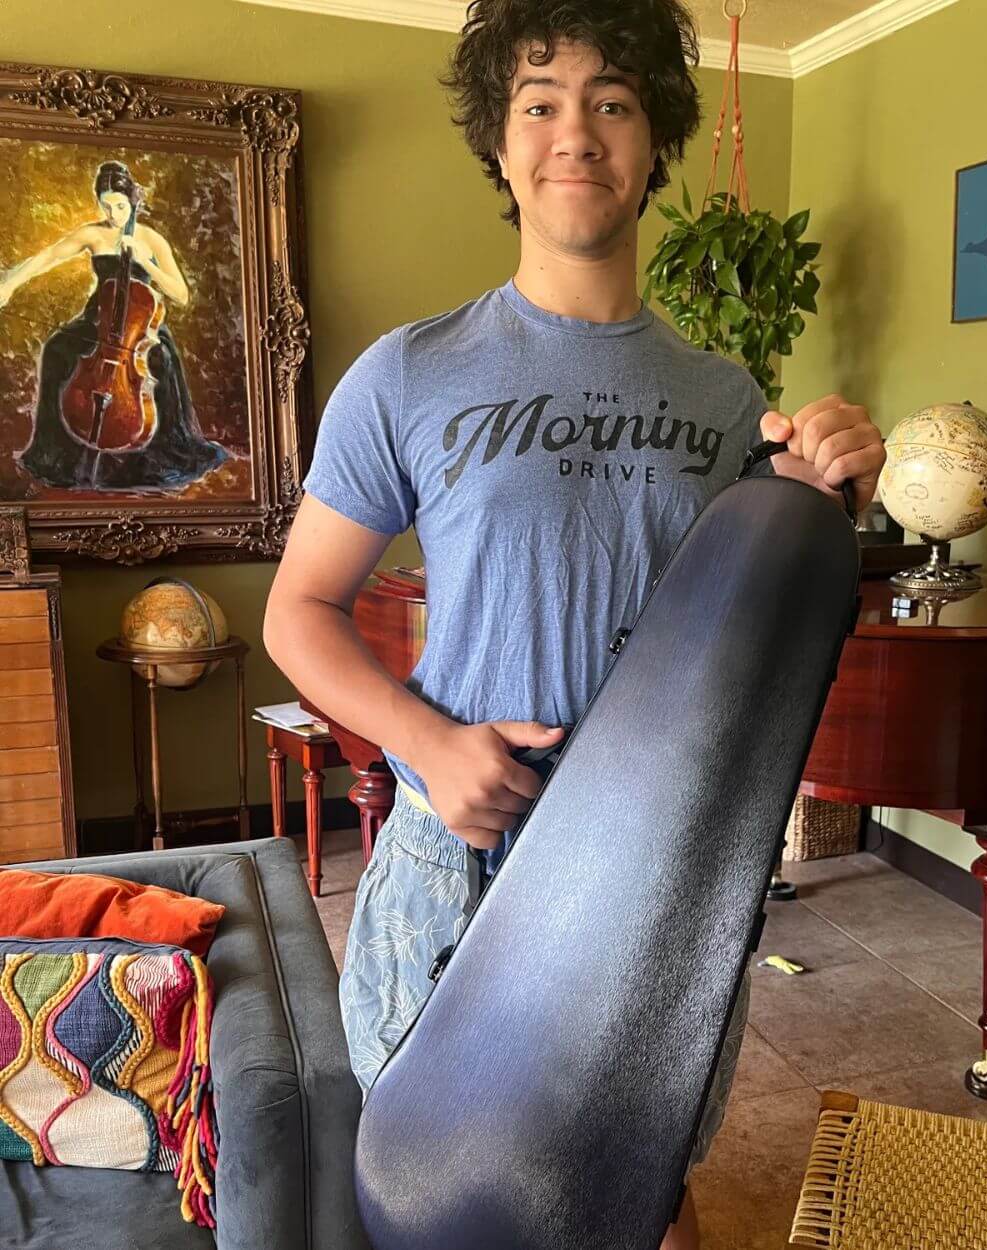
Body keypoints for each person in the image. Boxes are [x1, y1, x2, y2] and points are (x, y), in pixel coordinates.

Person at [263, 2, 884, 1245]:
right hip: (459, 852)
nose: (574, 132)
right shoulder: (409, 371)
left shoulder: (722, 398)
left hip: (652, 869)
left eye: (611, 101)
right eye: (538, 101)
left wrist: (832, 497)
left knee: (625, 1193)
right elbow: (298, 611)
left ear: (652, 143)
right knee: (437, 1196)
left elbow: (748, 628)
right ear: (498, 148)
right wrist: (430, 749)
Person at [0, 160, 229, 492]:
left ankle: (147, 456)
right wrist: (10, 284)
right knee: (57, 349)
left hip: (140, 329)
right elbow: (48, 256)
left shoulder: (150, 239)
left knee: (160, 362)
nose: (113, 213)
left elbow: (181, 294)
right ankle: (57, 451)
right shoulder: (93, 234)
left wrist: (142, 259)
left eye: (120, 205)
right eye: (106, 205)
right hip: (100, 320)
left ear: (132, 201)